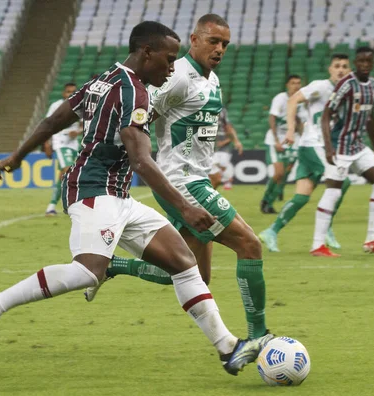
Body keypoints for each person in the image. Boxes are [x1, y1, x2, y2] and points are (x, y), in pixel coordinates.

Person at [0, 21, 272, 376]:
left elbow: (57, 119)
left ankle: (227, 348)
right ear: (147, 53)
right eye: (169, 59)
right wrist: (185, 207)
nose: (173, 67)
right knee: (87, 272)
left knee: (185, 264)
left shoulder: (105, 78)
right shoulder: (134, 93)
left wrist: (17, 155)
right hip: (94, 190)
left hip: (118, 195)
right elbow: (142, 160)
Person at [83, 14, 271, 342]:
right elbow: (138, 121)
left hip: (197, 179)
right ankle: (259, 337)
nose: (220, 49)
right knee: (250, 245)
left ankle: (112, 267)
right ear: (194, 40)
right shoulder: (178, 78)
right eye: (213, 41)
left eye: (225, 44)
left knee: (193, 274)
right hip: (182, 182)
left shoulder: (210, 79)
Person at [259, 54, 351, 252]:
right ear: (330, 69)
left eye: (344, 66)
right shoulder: (320, 86)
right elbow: (293, 100)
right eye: (337, 66)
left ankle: (271, 231)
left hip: (320, 146)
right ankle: (326, 228)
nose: (341, 70)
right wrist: (291, 130)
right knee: (343, 180)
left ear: (349, 70)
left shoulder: (348, 91)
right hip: (313, 144)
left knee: (301, 196)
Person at [311, 46, 374, 257]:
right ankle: (317, 245)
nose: (365, 65)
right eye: (361, 61)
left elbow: (370, 117)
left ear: (373, 63)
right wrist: (329, 148)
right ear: (355, 63)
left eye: (369, 61)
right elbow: (326, 115)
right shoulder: (346, 84)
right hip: (340, 146)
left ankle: (372, 240)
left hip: (358, 145)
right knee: (333, 191)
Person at [260, 75, 302, 214]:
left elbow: (300, 122)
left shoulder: (301, 100)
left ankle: (270, 204)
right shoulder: (280, 98)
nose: (296, 86)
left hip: (292, 140)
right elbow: (272, 118)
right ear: (287, 85)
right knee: (279, 173)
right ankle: (265, 200)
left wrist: (302, 139)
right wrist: (276, 140)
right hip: (275, 140)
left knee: (285, 174)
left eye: (298, 83)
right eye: (293, 83)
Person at [44, 82, 82, 216]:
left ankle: (51, 206)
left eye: (73, 91)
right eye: (68, 92)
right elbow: (47, 124)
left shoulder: (80, 104)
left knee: (64, 175)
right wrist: (47, 142)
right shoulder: (56, 106)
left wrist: (77, 132)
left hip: (73, 143)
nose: (70, 94)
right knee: (68, 170)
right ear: (63, 93)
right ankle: (73, 204)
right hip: (60, 140)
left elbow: (85, 125)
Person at [209, 106, 243, 189]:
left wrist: (236, 142)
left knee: (218, 173)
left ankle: (206, 198)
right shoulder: (200, 109)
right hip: (207, 147)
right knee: (214, 174)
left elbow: (229, 128)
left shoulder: (222, 111)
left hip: (223, 148)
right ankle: (227, 179)